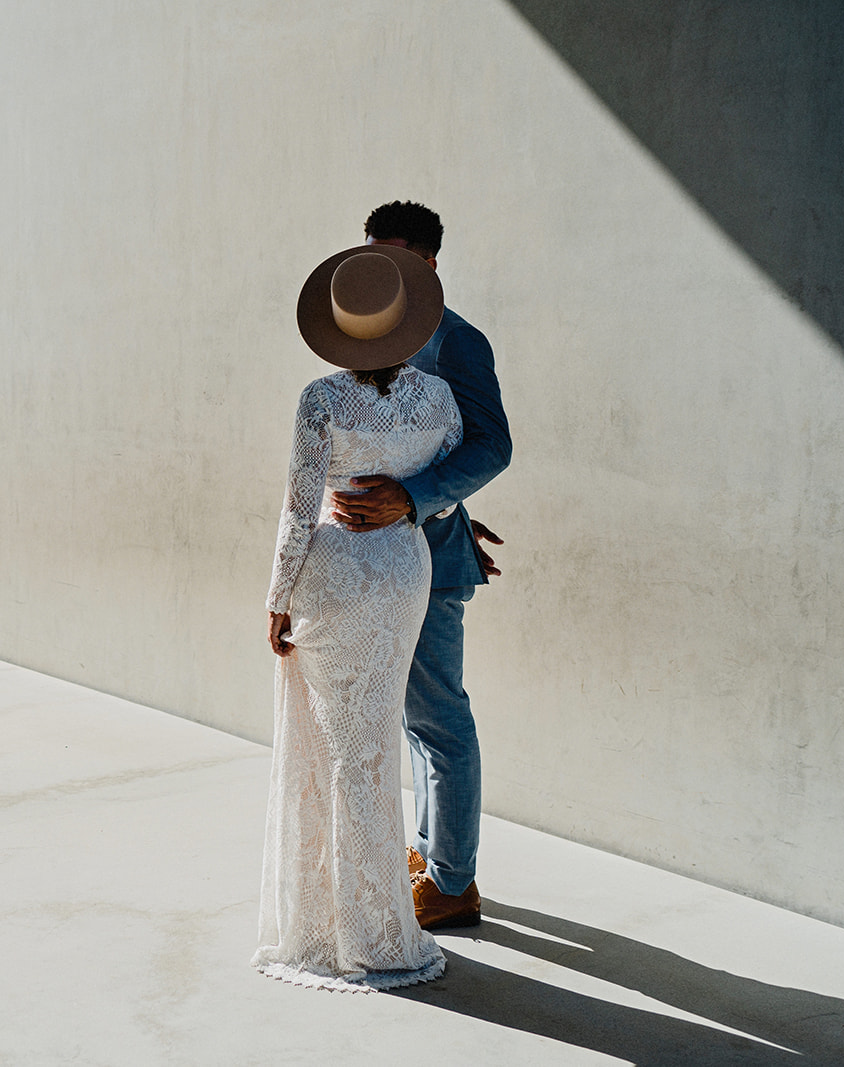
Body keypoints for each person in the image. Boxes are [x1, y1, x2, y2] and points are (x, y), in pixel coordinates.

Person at [253, 241, 460, 992]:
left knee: (335, 745)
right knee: (372, 737)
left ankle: (341, 927)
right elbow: (452, 466)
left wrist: (277, 598)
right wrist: (404, 494)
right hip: (402, 570)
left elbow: (299, 510)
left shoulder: (320, 399)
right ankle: (376, 923)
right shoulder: (438, 400)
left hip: (334, 572)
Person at [332, 201, 511, 930]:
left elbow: (490, 446)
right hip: (388, 558)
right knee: (415, 722)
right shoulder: (375, 333)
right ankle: (433, 851)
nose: (380, 268)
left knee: (439, 721)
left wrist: (418, 501)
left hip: (428, 564)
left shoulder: (458, 342)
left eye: (396, 256)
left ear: (430, 263)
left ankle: (453, 883)